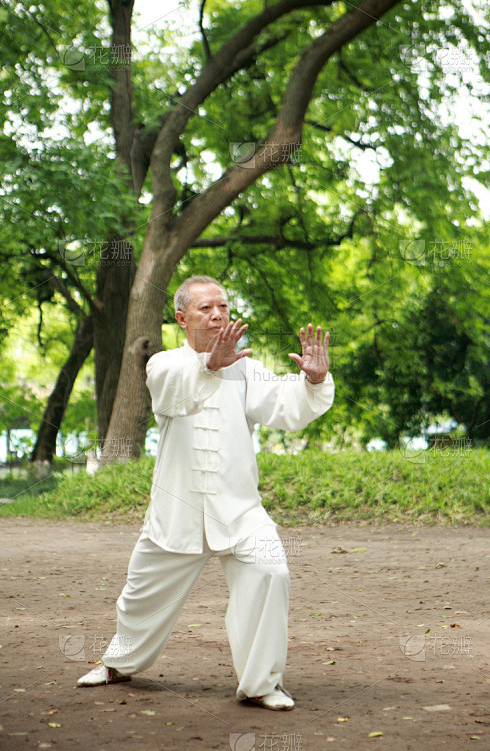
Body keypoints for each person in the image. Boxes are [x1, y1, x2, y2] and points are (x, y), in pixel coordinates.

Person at [77, 275, 334, 710]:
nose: (217, 315)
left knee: (271, 572)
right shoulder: (163, 362)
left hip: (239, 510)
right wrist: (210, 365)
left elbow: (282, 406)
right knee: (141, 596)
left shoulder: (248, 367)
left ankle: (261, 685)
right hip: (176, 510)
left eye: (223, 308)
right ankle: (118, 663)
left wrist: (312, 382)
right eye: (205, 309)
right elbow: (170, 394)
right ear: (181, 318)